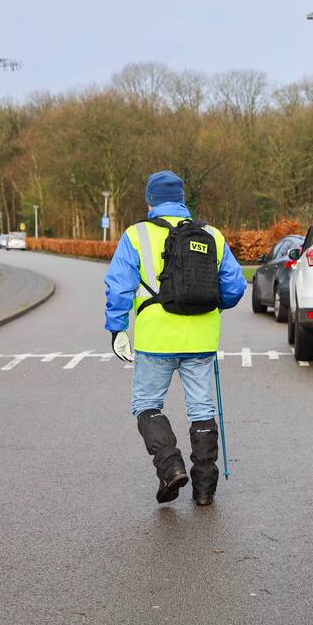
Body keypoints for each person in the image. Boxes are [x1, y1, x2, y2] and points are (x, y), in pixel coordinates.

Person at [104, 170, 247, 506]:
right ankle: (205, 487)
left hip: (156, 338)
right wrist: (213, 305)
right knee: (202, 407)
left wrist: (117, 328)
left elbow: (119, 287)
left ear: (150, 201)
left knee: (147, 405)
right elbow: (235, 286)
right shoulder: (211, 234)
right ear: (182, 200)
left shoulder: (136, 234)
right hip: (201, 337)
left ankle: (171, 466)